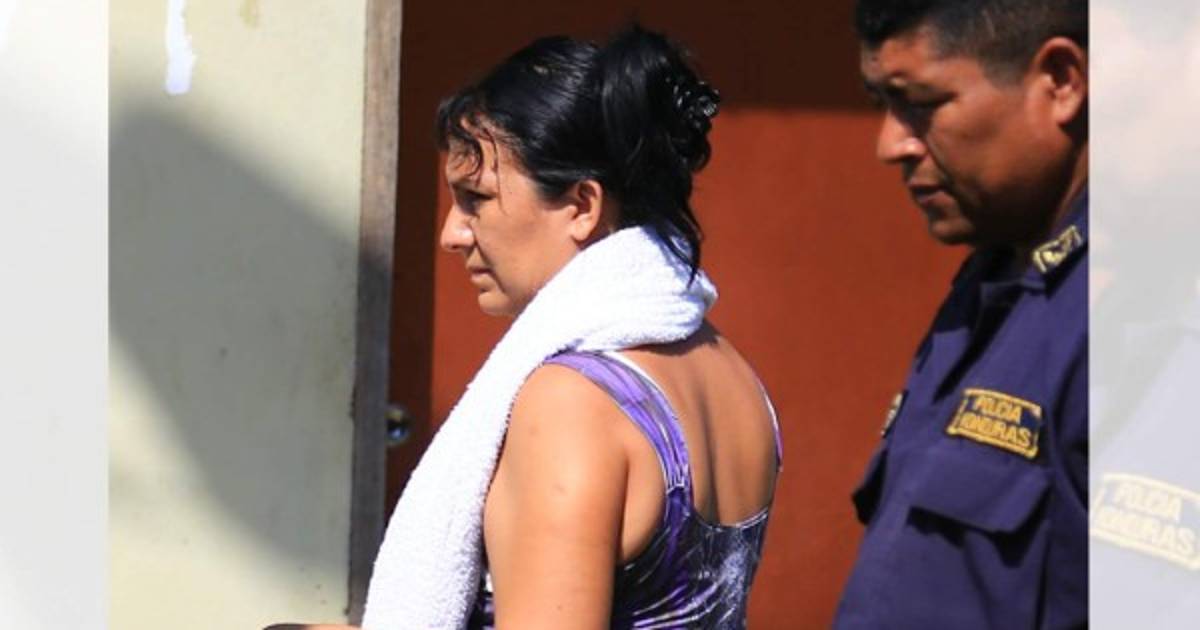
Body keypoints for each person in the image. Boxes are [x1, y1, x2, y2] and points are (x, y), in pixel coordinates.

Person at [271, 25, 781, 630]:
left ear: (582, 206)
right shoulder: (734, 376)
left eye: (476, 199)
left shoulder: (570, 405)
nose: (452, 234)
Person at [835, 1, 1088, 628]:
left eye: (921, 103)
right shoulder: (991, 280)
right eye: (882, 104)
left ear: (1061, 81)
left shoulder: (1135, 318)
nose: (890, 144)